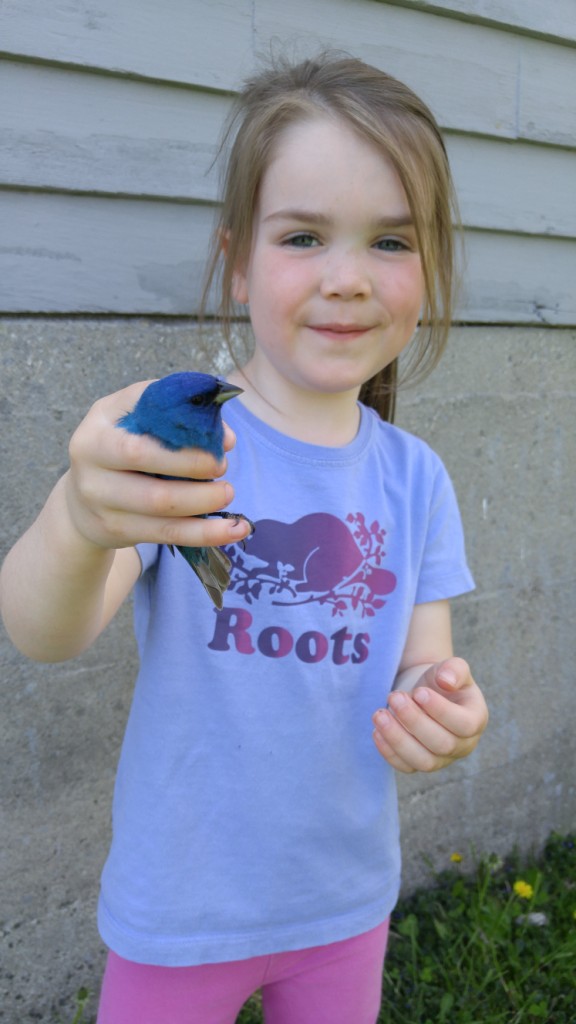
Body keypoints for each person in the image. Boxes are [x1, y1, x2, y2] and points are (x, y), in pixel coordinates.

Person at [0, 53, 489, 1024]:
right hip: (182, 908)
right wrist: (80, 517)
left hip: (342, 902)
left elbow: (418, 666)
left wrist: (441, 709)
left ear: (427, 264)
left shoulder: (415, 477)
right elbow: (40, 629)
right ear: (238, 259)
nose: (347, 279)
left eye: (390, 240)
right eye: (303, 235)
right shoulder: (183, 443)